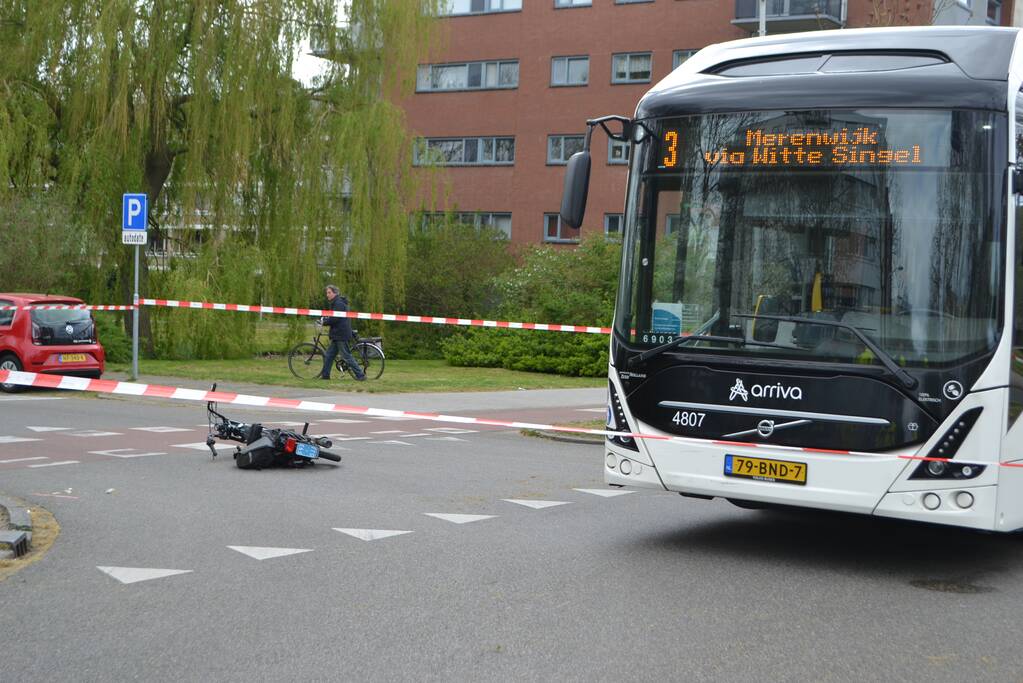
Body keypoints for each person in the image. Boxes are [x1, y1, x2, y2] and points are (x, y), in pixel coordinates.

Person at [319, 284, 366, 381]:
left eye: (329, 292)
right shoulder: (337, 302)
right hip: (337, 334)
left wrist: (325, 322)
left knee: (346, 356)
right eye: (326, 293)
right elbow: (335, 317)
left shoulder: (338, 303)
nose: (327, 295)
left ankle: (360, 375)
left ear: (335, 293)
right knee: (329, 355)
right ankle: (325, 376)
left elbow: (335, 318)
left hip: (341, 334)